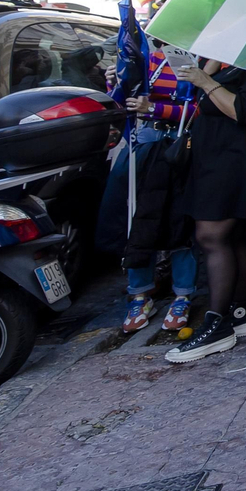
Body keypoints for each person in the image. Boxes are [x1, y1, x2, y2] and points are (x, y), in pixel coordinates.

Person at [164, 56, 246, 365]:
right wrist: (206, 70)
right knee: (233, 236)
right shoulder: (217, 62)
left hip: (232, 162)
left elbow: (244, 110)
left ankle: (217, 324)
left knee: (211, 236)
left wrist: (206, 81)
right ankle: (239, 312)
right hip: (211, 161)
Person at [99, 42, 198, 334]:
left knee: (180, 222)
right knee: (137, 220)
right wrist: (113, 81)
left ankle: (183, 296)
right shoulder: (143, 60)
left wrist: (154, 107)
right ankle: (139, 294)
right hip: (144, 144)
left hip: (181, 147)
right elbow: (120, 105)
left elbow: (199, 108)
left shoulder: (199, 59)